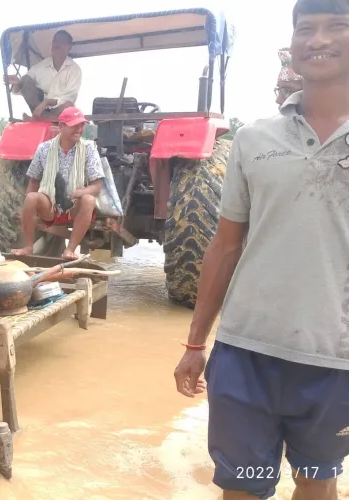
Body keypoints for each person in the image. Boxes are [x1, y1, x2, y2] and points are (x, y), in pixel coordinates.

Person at [173, 1, 349, 499]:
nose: (319, 39)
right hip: (246, 355)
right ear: (291, 46)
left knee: (318, 481)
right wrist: (194, 344)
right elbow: (225, 245)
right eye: (306, 29)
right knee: (243, 487)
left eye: (337, 26)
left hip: (336, 361)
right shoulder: (253, 140)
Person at [13, 107, 104, 260]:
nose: (79, 129)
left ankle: (70, 250)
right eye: (74, 125)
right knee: (31, 198)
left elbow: (97, 187)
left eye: (81, 125)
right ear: (61, 126)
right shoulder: (44, 148)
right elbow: (34, 180)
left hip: (74, 206)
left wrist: (80, 192)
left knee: (89, 199)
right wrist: (29, 210)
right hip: (50, 205)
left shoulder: (89, 148)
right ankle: (28, 247)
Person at [6, 30, 82, 119]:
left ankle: (37, 119)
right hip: (39, 110)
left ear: (69, 47)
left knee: (68, 105)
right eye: (55, 41)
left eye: (61, 41)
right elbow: (23, 87)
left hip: (60, 113)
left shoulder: (75, 70)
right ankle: (40, 118)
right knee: (25, 79)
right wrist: (17, 83)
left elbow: (69, 98)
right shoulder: (41, 66)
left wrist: (47, 102)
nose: (57, 44)